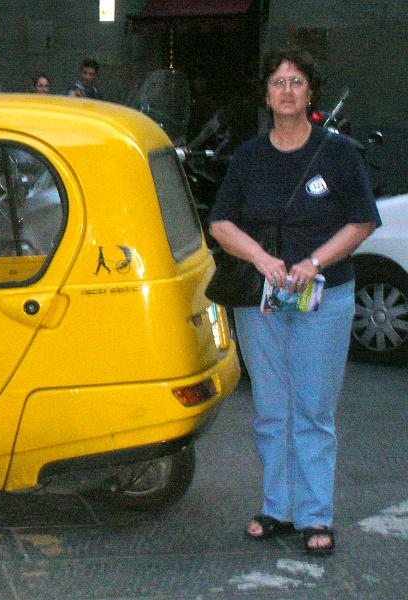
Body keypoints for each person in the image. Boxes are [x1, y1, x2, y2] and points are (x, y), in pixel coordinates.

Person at [207, 48, 380, 556]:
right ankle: (276, 508)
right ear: (267, 95)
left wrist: (315, 262)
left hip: (323, 297)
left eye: (296, 82)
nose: (286, 90)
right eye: (278, 82)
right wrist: (262, 259)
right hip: (262, 297)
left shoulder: (339, 152)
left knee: (313, 409)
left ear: (310, 93)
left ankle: (314, 515)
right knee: (270, 409)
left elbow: (362, 220)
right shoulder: (248, 157)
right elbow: (220, 223)